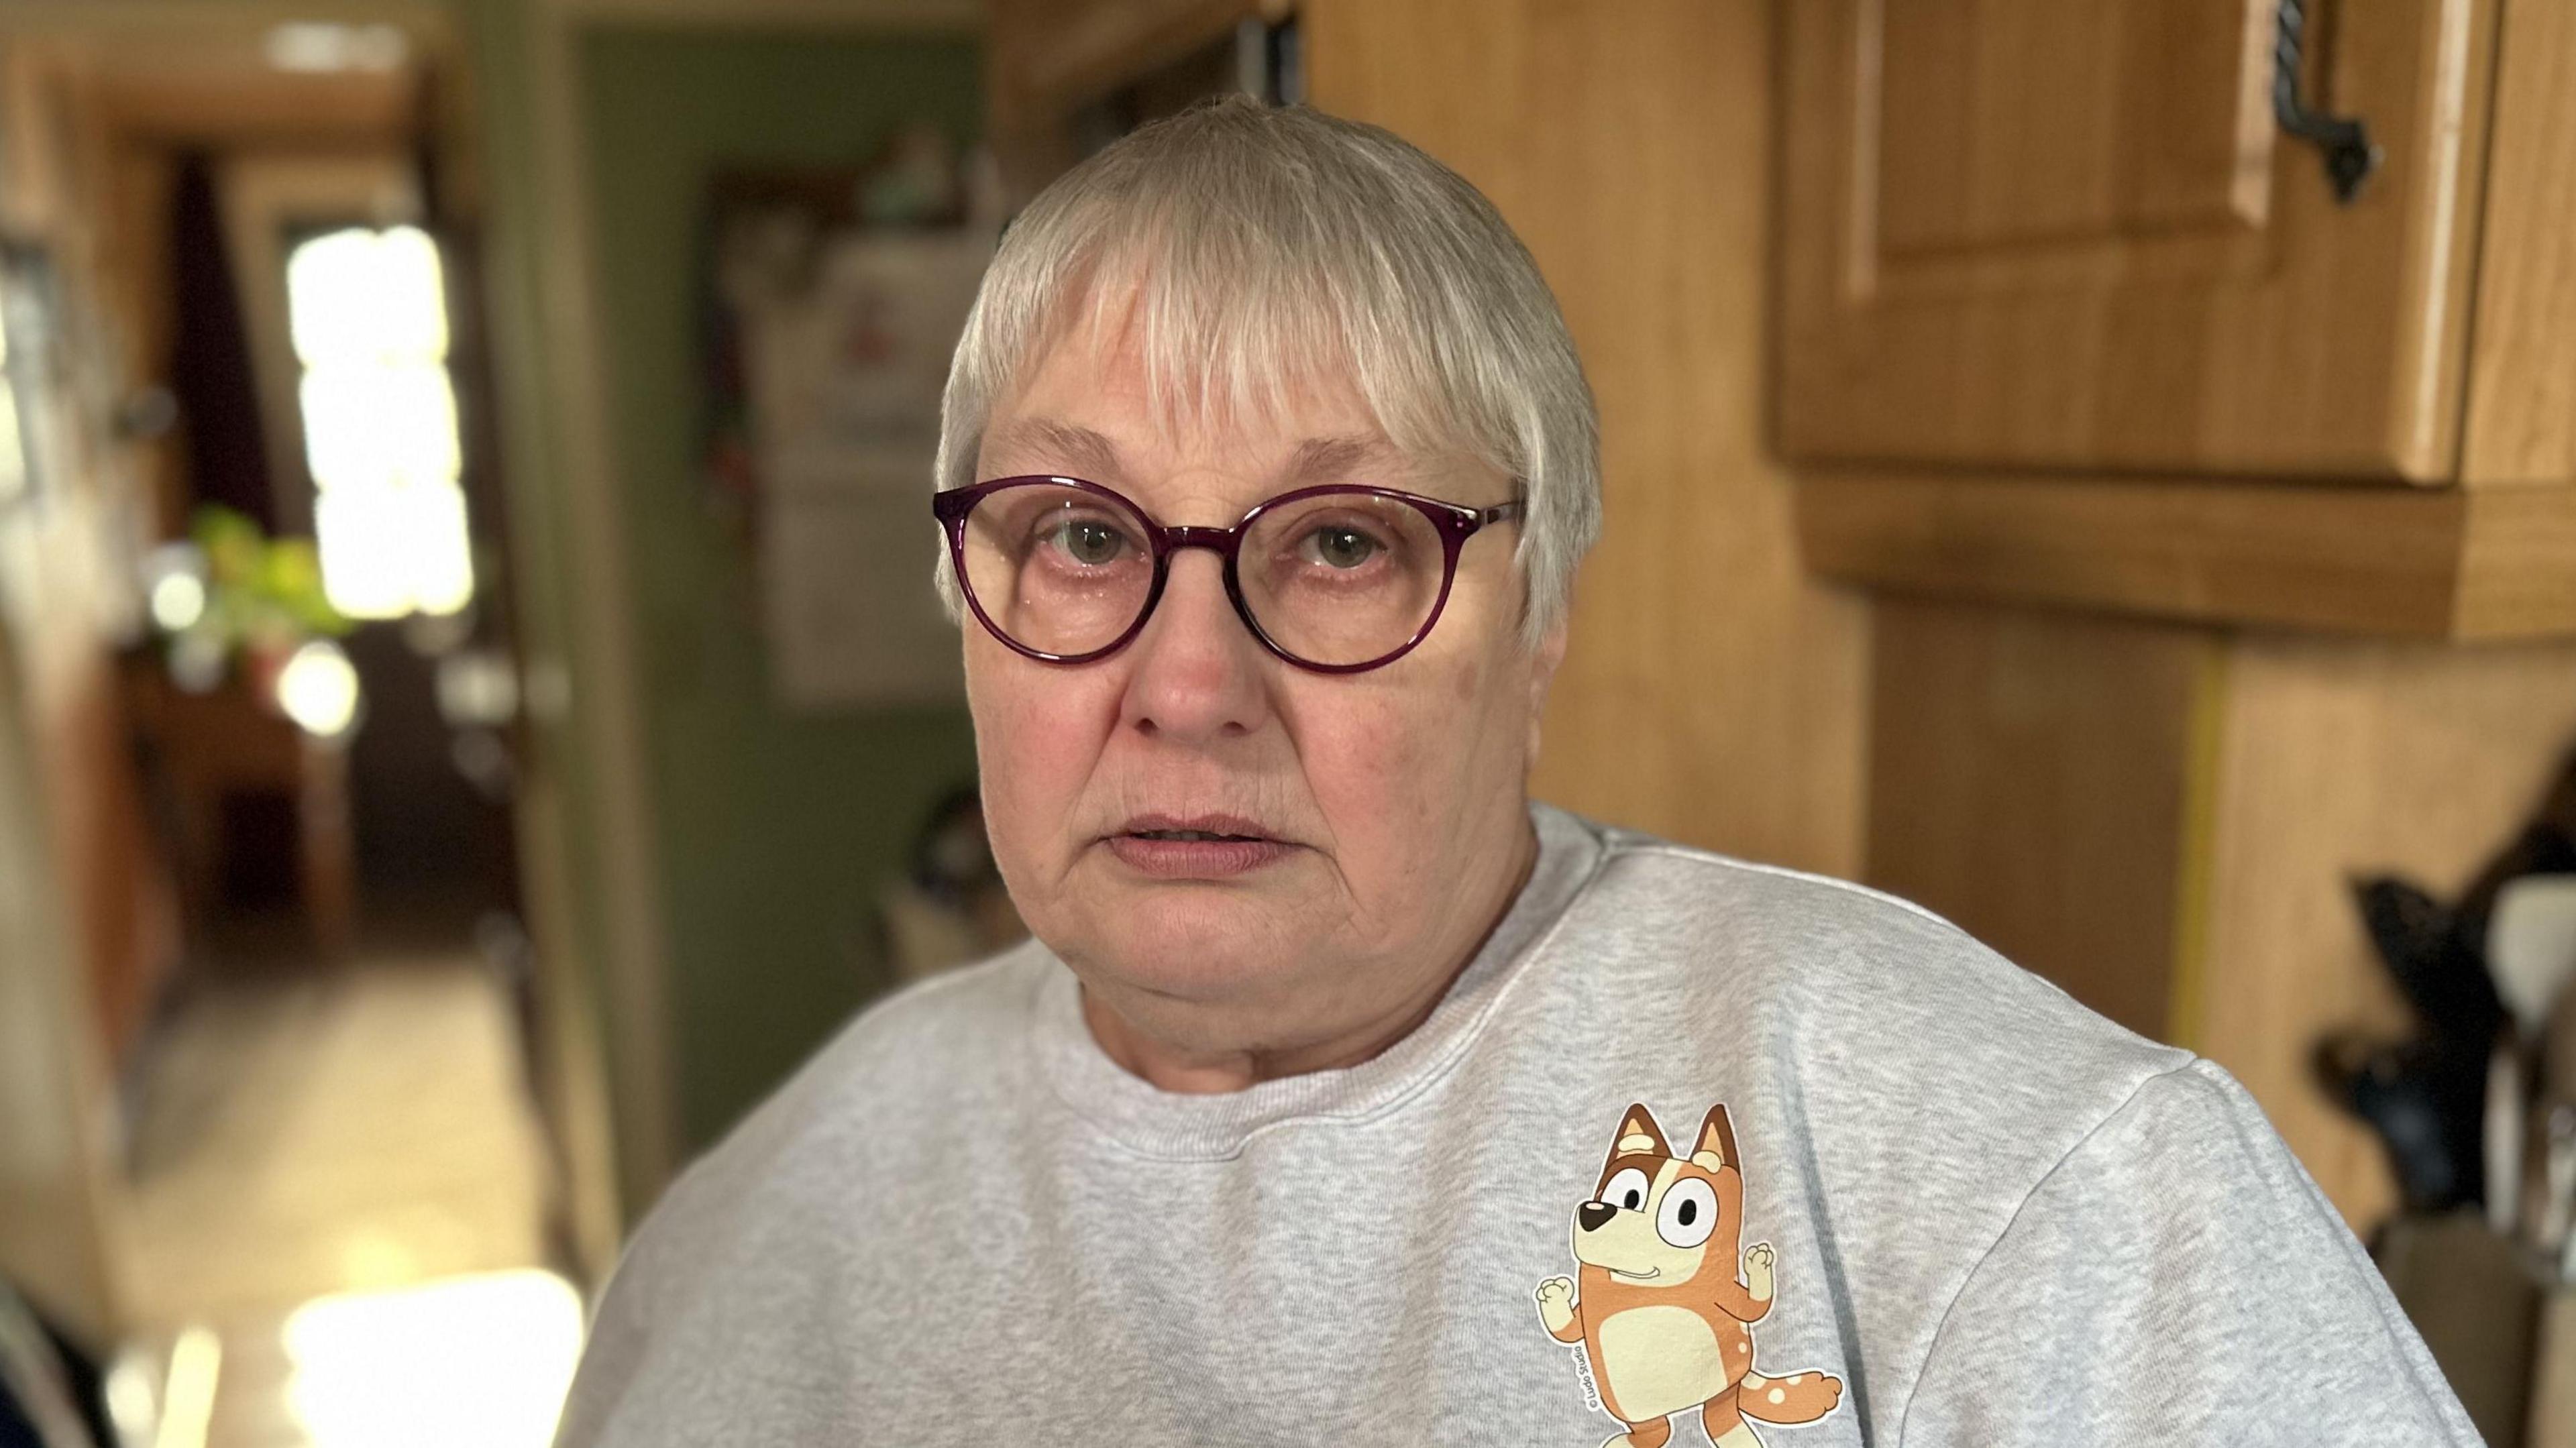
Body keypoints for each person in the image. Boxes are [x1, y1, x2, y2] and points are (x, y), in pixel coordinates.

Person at [554, 97, 2475, 1447]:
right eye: (1079, 534)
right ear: (968, 597)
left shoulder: (2023, 1191)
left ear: (1539, 624)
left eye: (1338, 542)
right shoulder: (759, 1237)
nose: (1189, 683)